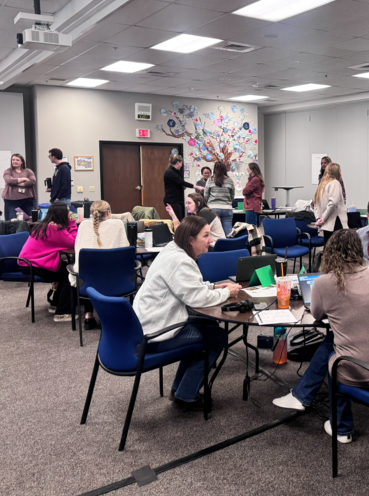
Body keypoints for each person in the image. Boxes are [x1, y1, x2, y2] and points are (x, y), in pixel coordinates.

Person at [272, 229, 369, 443]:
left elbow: (317, 314)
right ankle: (300, 396)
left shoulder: (324, 283)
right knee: (334, 341)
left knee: (335, 356)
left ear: (330, 253)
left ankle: (341, 427)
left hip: (365, 372)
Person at [133, 216, 241, 411]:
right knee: (216, 337)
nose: (211, 240)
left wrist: (213, 285)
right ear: (191, 240)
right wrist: (226, 292)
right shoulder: (180, 261)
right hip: (155, 333)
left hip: (147, 323)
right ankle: (186, 396)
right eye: (205, 235)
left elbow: (185, 287)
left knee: (209, 327)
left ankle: (180, 389)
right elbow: (197, 299)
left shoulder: (173, 250)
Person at [68, 200, 129, 330]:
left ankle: (88, 316)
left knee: (88, 272)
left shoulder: (83, 225)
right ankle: (105, 317)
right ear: (108, 212)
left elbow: (77, 250)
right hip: (115, 281)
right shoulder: (117, 224)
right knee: (109, 269)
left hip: (86, 282)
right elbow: (125, 249)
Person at [18, 202, 78, 322]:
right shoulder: (54, 228)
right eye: (68, 211)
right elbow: (74, 242)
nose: (71, 213)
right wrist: (72, 224)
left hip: (28, 262)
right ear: (61, 214)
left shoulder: (45, 225)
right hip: (32, 264)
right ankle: (63, 313)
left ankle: (55, 304)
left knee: (66, 268)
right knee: (71, 274)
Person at [314, 162, 348, 244]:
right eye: (340, 171)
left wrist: (319, 218)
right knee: (338, 251)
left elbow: (316, 204)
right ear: (336, 172)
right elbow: (333, 202)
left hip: (326, 225)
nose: (341, 173)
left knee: (328, 250)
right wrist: (324, 218)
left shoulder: (322, 185)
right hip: (336, 223)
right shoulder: (335, 183)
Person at [204, 161, 235, 236]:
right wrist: (228, 203)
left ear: (214, 169)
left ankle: (215, 247)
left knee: (213, 232)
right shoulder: (229, 180)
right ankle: (229, 247)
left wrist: (209, 204)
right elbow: (232, 195)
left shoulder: (210, 180)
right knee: (228, 232)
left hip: (213, 209)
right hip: (227, 208)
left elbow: (206, 195)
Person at [2, 154, 36, 220]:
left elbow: (32, 181)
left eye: (17, 160)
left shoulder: (28, 171)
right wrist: (24, 179)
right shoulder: (8, 171)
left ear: (22, 162)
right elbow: (9, 181)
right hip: (11, 200)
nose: (15, 161)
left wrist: (18, 184)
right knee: (11, 221)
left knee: (29, 220)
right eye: (13, 160)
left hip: (27, 199)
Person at [163, 154, 194, 221]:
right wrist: (195, 186)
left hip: (177, 199)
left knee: (178, 219)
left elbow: (178, 182)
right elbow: (181, 182)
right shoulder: (170, 172)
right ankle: (176, 231)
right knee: (177, 220)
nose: (181, 165)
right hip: (173, 200)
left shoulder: (176, 171)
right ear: (178, 163)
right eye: (181, 163)